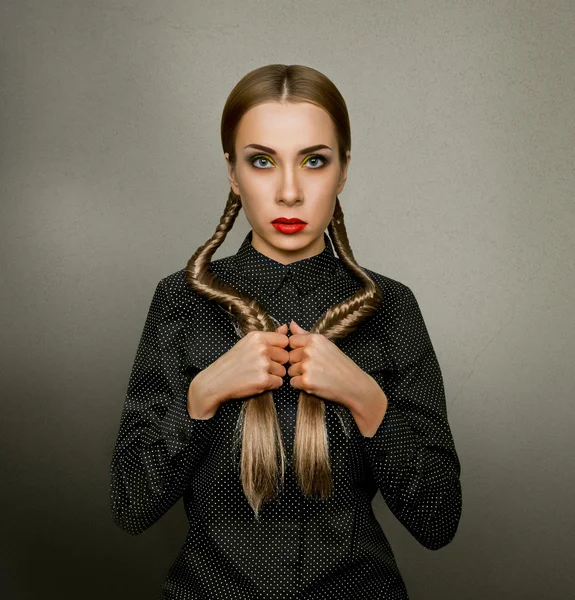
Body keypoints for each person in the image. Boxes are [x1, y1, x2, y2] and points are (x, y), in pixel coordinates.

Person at [109, 64, 462, 599]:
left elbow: (439, 522)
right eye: (262, 162)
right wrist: (201, 398)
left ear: (343, 170)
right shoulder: (179, 302)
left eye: (314, 161)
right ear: (233, 172)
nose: (290, 192)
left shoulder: (392, 308)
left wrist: (369, 401)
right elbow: (131, 505)